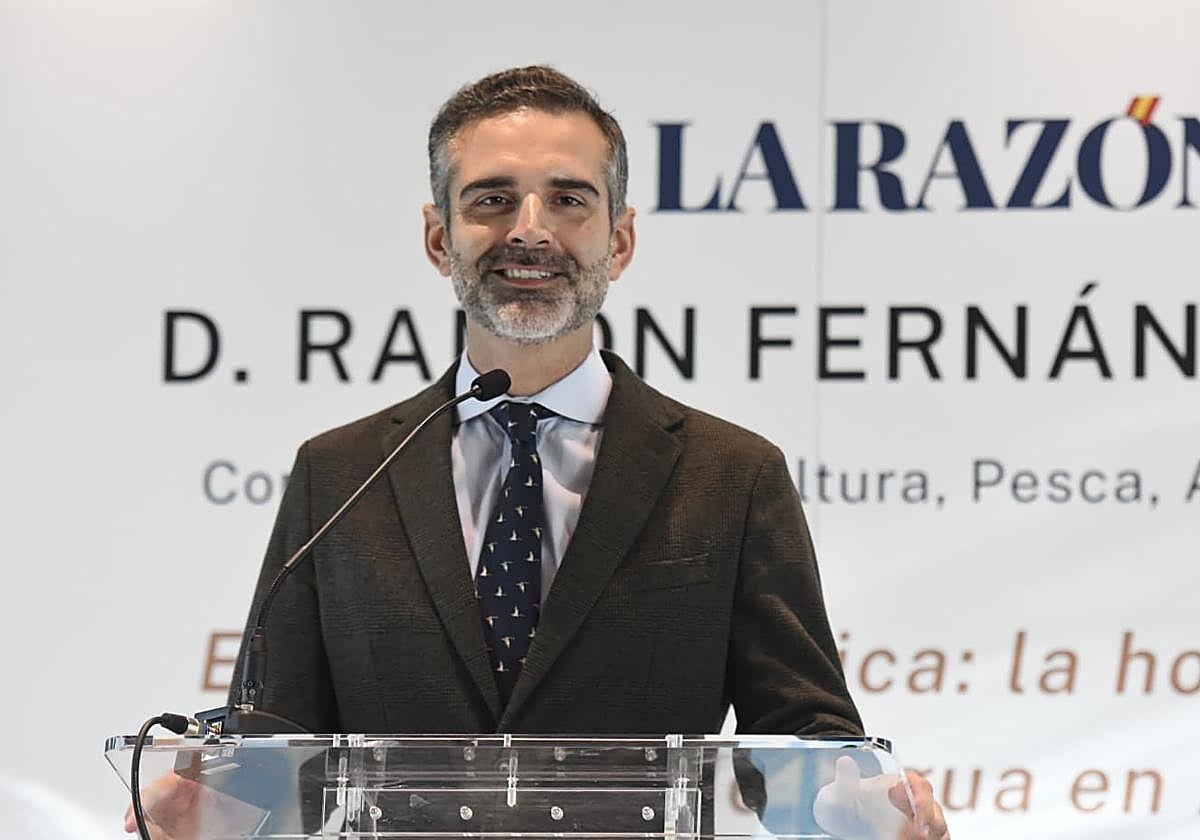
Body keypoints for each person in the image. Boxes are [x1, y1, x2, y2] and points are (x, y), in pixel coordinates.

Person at [128, 65, 949, 839]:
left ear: (619, 241)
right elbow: (279, 746)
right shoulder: (339, 475)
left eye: (568, 200)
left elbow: (801, 738)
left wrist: (852, 804)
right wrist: (216, 810)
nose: (529, 231)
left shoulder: (730, 476)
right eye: (492, 199)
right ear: (438, 237)